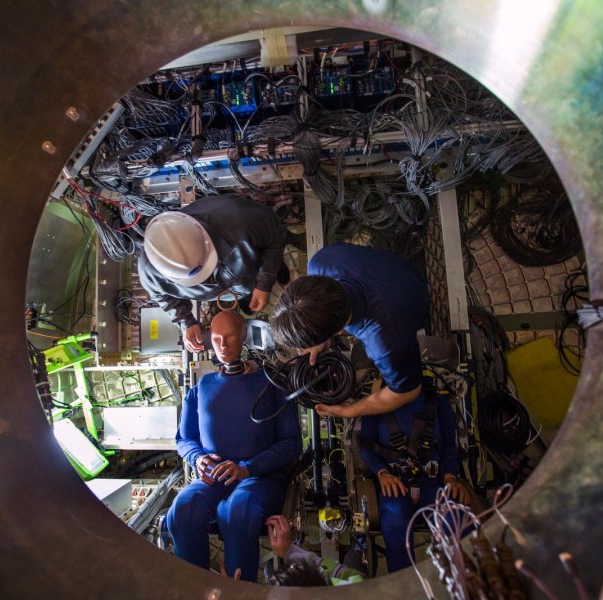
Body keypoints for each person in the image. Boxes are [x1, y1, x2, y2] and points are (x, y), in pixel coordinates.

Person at [166, 310, 301, 582]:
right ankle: (195, 586)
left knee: (238, 510)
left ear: (243, 337)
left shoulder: (271, 385)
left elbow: (291, 444)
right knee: (183, 507)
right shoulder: (203, 387)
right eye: (216, 338)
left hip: (260, 478)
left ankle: (241, 589)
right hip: (214, 475)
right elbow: (184, 439)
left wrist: (246, 468)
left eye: (229, 337)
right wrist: (197, 458)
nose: (223, 345)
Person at [271, 242, 430, 418]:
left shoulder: (384, 345)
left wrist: (349, 411)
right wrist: (316, 326)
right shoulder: (320, 262)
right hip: (394, 270)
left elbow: (408, 392)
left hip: (417, 295)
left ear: (338, 331)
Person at [138, 193, 288, 353]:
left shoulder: (240, 218)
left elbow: (276, 237)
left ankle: (274, 272)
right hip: (230, 289)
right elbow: (164, 298)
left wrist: (265, 281)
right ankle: (246, 294)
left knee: (275, 267)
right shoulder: (150, 274)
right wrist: (186, 322)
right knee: (249, 304)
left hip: (252, 264)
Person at [357, 388, 470, 572]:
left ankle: (466, 582)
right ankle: (405, 586)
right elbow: (366, 445)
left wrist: (450, 476)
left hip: (431, 480)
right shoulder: (374, 402)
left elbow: (450, 444)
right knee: (395, 520)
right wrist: (382, 472)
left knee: (454, 519)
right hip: (394, 482)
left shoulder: (437, 400)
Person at [265, 514, 366, 586]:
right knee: (354, 556)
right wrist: (289, 551)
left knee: (270, 566)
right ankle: (361, 539)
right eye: (294, 569)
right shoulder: (356, 588)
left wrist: (288, 552)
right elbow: (357, 579)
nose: (293, 564)